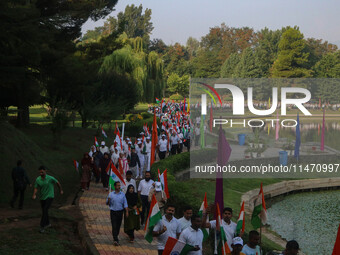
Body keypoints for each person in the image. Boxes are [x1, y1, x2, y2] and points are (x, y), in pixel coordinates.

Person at [32, 166, 63, 233]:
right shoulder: (38, 179)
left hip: (50, 196)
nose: (41, 173)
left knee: (45, 209)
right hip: (42, 197)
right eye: (40, 172)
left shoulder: (50, 178)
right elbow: (36, 187)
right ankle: (48, 223)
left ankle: (42, 226)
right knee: (44, 211)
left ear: (45, 171)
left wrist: (61, 190)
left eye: (42, 172)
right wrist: (34, 194)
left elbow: (57, 182)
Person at [106, 181, 128, 246]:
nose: (119, 187)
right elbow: (107, 203)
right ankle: (116, 239)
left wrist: (126, 211)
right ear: (115, 186)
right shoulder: (111, 194)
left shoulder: (122, 195)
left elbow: (125, 204)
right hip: (113, 212)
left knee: (118, 225)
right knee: (114, 225)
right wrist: (109, 201)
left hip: (120, 212)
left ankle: (116, 235)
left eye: (119, 185)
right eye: (117, 185)